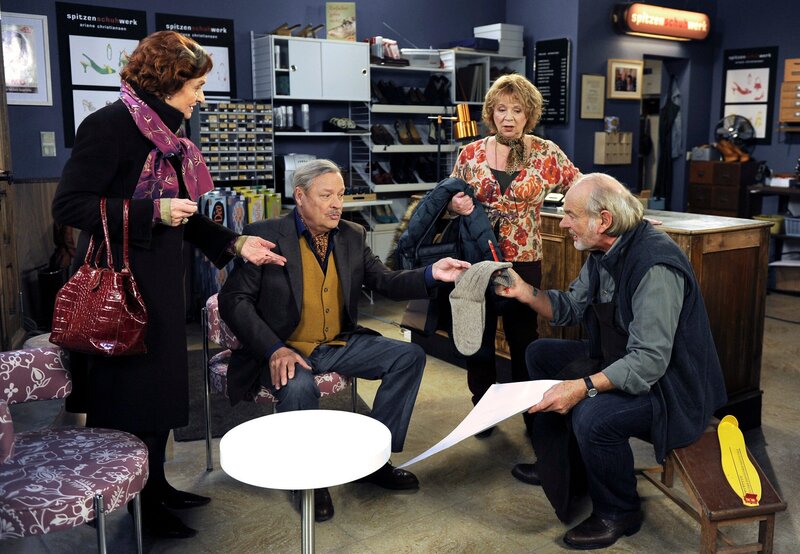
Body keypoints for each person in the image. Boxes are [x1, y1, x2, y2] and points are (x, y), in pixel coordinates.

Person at [52, 31, 287, 540]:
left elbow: (187, 216)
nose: (201, 97)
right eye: (196, 86)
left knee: (158, 398)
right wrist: (151, 211)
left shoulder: (167, 137)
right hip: (117, 292)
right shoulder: (108, 126)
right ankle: (135, 504)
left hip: (159, 289)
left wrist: (236, 243)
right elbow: (70, 205)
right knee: (128, 402)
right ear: (168, 81)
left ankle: (156, 485)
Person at [218, 159, 470, 523]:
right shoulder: (265, 235)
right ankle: (308, 478)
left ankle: (375, 460)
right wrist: (274, 348)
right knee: (299, 386)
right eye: (327, 196)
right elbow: (233, 300)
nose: (337, 204)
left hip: (337, 344)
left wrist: (432, 273)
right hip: (285, 348)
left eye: (341, 194)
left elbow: (385, 281)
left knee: (408, 357)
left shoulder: (352, 234)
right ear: (300, 196)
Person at [496, 173, 727, 550]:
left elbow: (649, 362)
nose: (563, 223)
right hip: (622, 359)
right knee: (540, 354)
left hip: (672, 390)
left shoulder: (655, 265)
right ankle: (563, 470)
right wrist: (524, 292)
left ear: (603, 220)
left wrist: (582, 388)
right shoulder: (602, 253)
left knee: (593, 415)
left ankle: (619, 512)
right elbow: (569, 308)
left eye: (570, 215)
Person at [449, 73, 580, 434]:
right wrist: (456, 206)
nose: (508, 117)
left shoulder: (546, 152)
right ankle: (483, 411)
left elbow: (581, 186)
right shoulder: (470, 154)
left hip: (525, 259)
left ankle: (529, 410)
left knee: (524, 339)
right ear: (491, 113)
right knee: (478, 338)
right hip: (477, 259)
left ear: (529, 114)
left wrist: (625, 212)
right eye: (501, 109)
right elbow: (447, 200)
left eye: (517, 110)